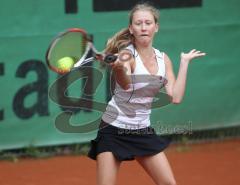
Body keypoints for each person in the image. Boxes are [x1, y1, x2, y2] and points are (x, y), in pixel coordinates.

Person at [88, 2, 206, 185]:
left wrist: (184, 63)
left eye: (148, 23)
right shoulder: (126, 56)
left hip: (141, 130)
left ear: (156, 27)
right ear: (131, 28)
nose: (143, 27)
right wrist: (119, 68)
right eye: (138, 23)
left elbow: (175, 97)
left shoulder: (163, 59)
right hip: (112, 128)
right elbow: (126, 85)